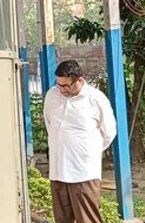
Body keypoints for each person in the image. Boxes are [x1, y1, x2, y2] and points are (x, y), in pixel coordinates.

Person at [43, 60, 117, 223]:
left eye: (67, 86)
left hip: (84, 171)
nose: (62, 89)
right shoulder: (52, 96)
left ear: (80, 80)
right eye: (59, 85)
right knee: (62, 218)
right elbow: (50, 125)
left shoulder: (95, 99)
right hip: (58, 170)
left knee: (87, 218)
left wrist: (87, 151)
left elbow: (109, 133)